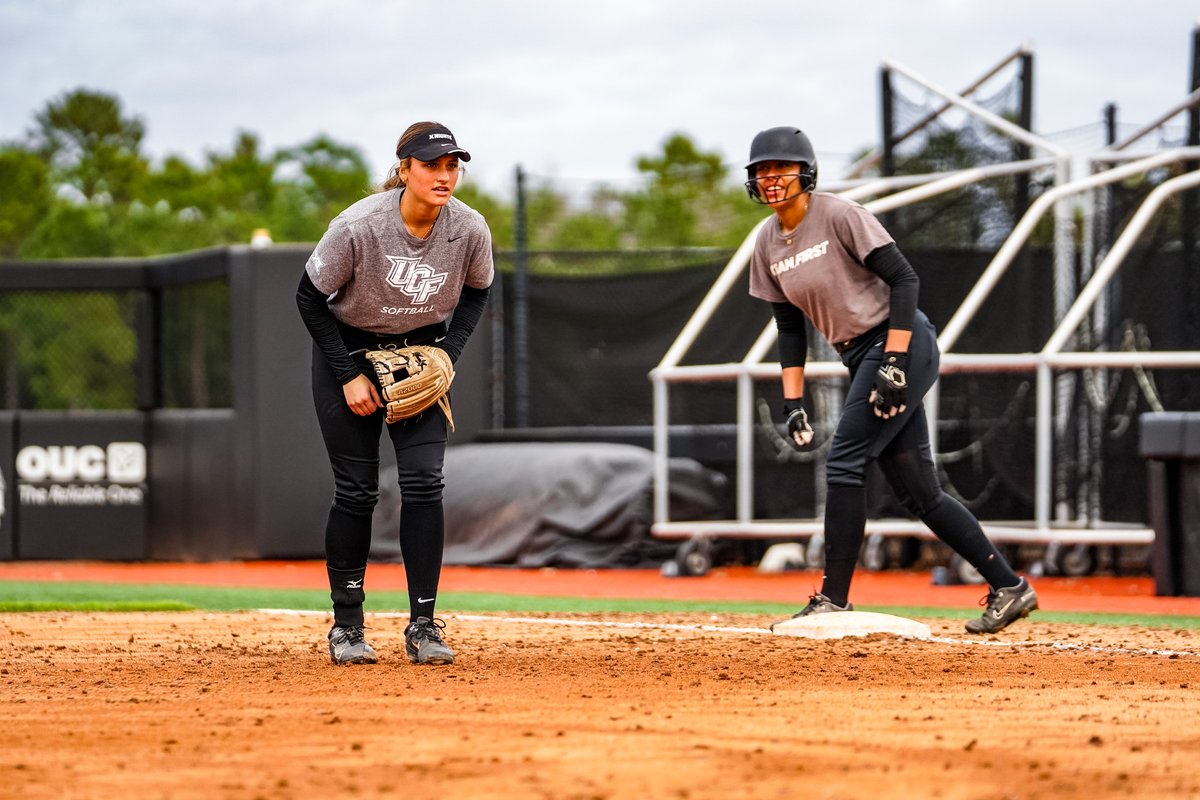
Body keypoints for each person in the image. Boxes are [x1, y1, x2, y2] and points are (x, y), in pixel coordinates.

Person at [743, 126, 1038, 634]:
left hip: (899, 342)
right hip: (857, 354)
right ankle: (1010, 587)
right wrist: (793, 403)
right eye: (761, 170)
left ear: (806, 173)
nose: (770, 178)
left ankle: (833, 599)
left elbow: (905, 280)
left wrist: (894, 362)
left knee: (845, 461)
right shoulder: (766, 243)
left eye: (781, 168)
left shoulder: (839, 214)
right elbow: (790, 331)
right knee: (920, 494)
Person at [296, 121, 494, 665]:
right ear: (404, 170)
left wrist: (446, 357)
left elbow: (478, 293)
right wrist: (346, 374)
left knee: (425, 483)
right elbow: (309, 298)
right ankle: (347, 626)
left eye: (453, 165)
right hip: (350, 351)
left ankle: (424, 625)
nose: (444, 175)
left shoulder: (470, 228)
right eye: (431, 165)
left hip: (420, 358)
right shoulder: (360, 225)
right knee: (357, 491)